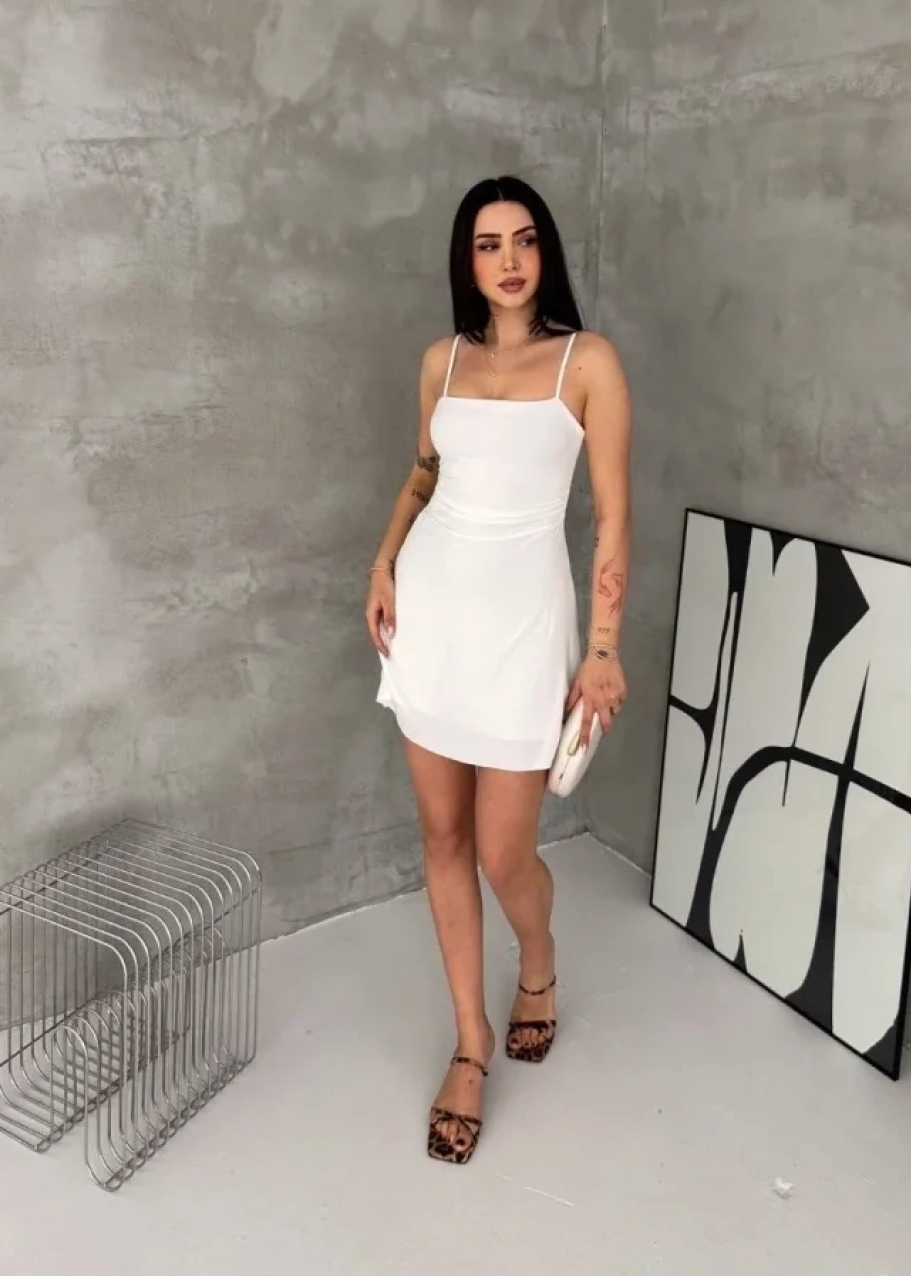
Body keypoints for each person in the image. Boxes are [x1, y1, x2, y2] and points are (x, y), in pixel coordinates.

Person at [365, 175, 631, 1164]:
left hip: (525, 623)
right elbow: (426, 471)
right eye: (487, 244)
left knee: (503, 852)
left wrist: (601, 648)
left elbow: (612, 516)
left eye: (523, 240)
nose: (509, 260)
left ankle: (540, 957)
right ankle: (470, 1043)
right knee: (441, 834)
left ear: (544, 250)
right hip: (431, 617)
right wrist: (384, 560)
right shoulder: (440, 360)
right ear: (466, 260)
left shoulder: (587, 362)